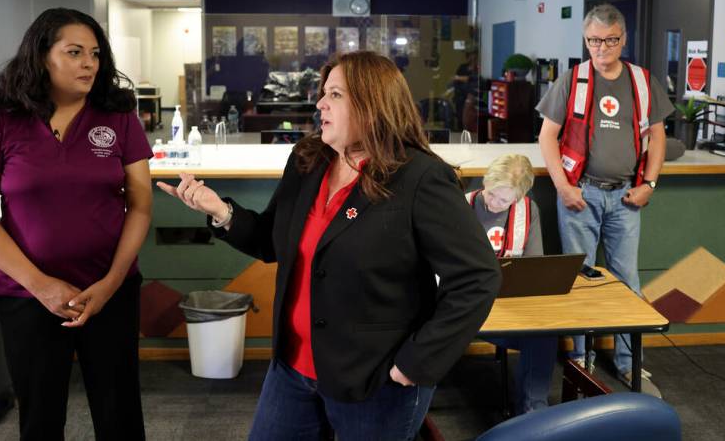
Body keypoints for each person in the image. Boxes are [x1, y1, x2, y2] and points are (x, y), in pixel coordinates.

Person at [158, 51, 501, 441]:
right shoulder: (308, 159)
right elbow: (273, 240)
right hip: (292, 368)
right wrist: (220, 210)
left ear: (374, 104)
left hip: (375, 379)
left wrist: (415, 364)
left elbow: (477, 277)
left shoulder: (421, 178)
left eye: (335, 95)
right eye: (323, 93)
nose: (320, 103)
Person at [0, 8, 153, 439]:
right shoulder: (2, 121)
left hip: (109, 292)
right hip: (27, 296)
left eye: (95, 53)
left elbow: (140, 205)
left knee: (120, 415)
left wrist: (111, 283)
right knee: (41, 419)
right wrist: (40, 285)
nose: (89, 63)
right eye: (74, 52)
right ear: (41, 56)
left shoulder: (118, 117)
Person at [537, 3, 672, 398]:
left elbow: (659, 136)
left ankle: (630, 364)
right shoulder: (572, 80)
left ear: (623, 39)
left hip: (627, 198)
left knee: (627, 281)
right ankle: (582, 361)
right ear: (586, 39)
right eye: (593, 41)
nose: (601, 49)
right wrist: (563, 187)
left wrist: (650, 183)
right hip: (581, 194)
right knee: (580, 279)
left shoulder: (642, 82)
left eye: (610, 41)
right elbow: (547, 136)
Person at [468, 154, 558, 412]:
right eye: (492, 193)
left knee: (543, 331)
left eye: (504, 200)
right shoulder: (461, 205)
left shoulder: (529, 211)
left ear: (518, 197)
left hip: (508, 305)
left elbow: (534, 268)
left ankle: (533, 412)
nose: (494, 203)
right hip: (463, 305)